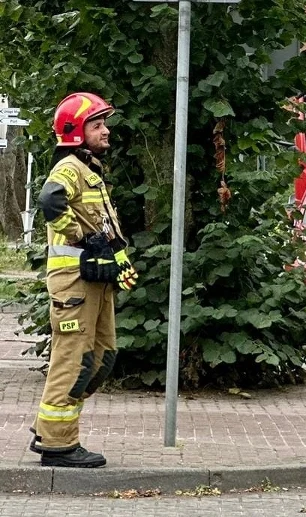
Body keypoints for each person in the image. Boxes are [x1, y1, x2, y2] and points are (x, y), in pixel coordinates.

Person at [29, 92, 138, 468]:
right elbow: (50, 203)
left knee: (102, 358)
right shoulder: (69, 169)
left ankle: (50, 427)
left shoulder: (91, 170)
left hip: (96, 280)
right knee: (76, 360)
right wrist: (80, 237)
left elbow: (106, 229)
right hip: (74, 283)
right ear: (76, 132)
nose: (106, 131)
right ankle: (58, 444)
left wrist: (118, 260)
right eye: (98, 124)